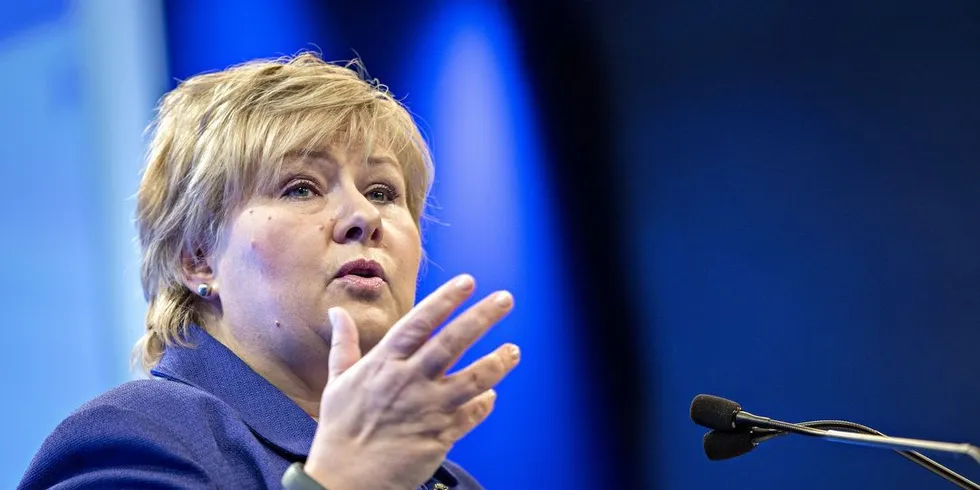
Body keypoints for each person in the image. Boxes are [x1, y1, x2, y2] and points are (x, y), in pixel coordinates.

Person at [18, 52, 520, 490]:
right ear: (198, 257)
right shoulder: (133, 439)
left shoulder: (444, 481)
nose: (364, 217)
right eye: (301, 187)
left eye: (383, 192)